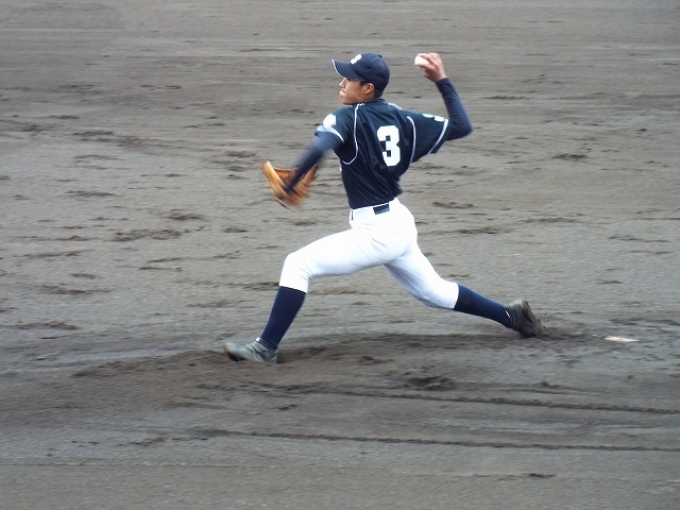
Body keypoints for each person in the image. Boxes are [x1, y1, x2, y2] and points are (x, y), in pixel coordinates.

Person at [224, 52, 545, 364]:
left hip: (376, 233)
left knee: (298, 264)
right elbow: (462, 126)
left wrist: (292, 182)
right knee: (435, 293)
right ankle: (511, 316)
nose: (342, 83)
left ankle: (265, 348)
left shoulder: (345, 118)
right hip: (398, 223)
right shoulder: (405, 119)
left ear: (368, 88)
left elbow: (321, 146)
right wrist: (441, 80)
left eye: (349, 79)